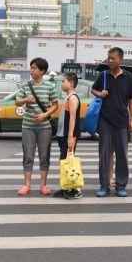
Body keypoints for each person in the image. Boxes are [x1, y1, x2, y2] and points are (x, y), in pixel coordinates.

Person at [91, 47, 132, 197]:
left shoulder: (128, 77)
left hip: (122, 121)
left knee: (122, 155)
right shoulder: (103, 75)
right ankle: (104, 186)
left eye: (113, 58)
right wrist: (100, 93)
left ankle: (121, 185)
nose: (110, 61)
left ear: (120, 60)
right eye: (108, 58)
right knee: (104, 155)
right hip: (105, 120)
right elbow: (93, 89)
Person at [14, 57, 59, 196]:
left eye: (34, 68)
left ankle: (43, 185)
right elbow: (17, 102)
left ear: (42, 71)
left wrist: (44, 115)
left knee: (44, 156)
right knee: (28, 155)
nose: (31, 70)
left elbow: (55, 104)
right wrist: (25, 100)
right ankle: (27, 185)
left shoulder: (49, 87)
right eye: (31, 67)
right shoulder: (26, 86)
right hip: (27, 126)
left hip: (45, 127)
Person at [55, 72, 82, 199]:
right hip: (63, 135)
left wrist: (70, 136)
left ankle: (75, 190)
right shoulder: (68, 97)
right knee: (64, 161)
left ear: (70, 83)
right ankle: (65, 187)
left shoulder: (73, 98)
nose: (62, 83)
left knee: (69, 163)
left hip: (68, 136)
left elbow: (72, 118)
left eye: (63, 81)